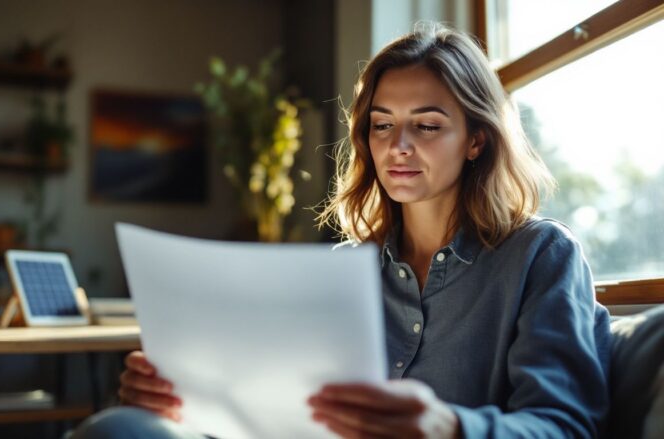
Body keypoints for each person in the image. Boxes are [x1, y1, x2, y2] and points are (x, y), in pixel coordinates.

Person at [73, 22, 610, 438]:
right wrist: (175, 398)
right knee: (118, 427)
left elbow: (566, 425)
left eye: (426, 125)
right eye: (382, 125)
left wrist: (449, 428)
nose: (398, 145)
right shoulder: (338, 271)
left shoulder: (541, 255)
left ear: (477, 140)